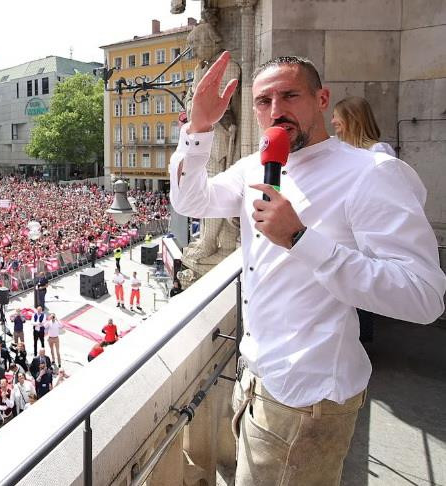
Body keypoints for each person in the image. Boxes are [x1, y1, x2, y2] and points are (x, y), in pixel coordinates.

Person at [171, 52, 446, 485]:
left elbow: (423, 296)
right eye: (264, 101)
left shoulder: (370, 173)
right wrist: (199, 128)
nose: (276, 110)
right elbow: (192, 201)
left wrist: (301, 239)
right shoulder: (253, 167)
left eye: (290, 95)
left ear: (322, 99)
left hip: (310, 396)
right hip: (257, 378)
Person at [331, 95, 396, 343]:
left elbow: (385, 198)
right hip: (348, 230)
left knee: (359, 289)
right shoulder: (345, 152)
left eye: (338, 116)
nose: (334, 121)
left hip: (365, 231)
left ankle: (359, 344)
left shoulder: (379, 152)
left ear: (352, 119)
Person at [332, 96, 396, 156]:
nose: (332, 121)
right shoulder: (339, 149)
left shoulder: (377, 150)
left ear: (352, 118)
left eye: (336, 116)